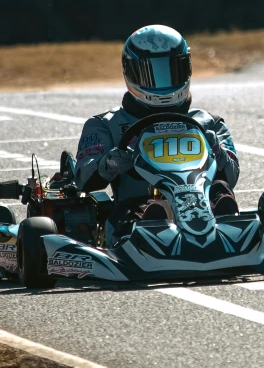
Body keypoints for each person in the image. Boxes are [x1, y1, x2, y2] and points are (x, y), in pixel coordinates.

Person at [73, 24, 240, 236]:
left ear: (185, 68)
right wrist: (110, 163)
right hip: (137, 207)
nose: (163, 81)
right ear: (130, 71)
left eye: (170, 71)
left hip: (202, 205)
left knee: (219, 189)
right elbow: (83, 178)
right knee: (141, 212)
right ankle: (155, 220)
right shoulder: (107, 124)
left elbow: (232, 176)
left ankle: (227, 217)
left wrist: (216, 151)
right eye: (150, 74)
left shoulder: (207, 122)